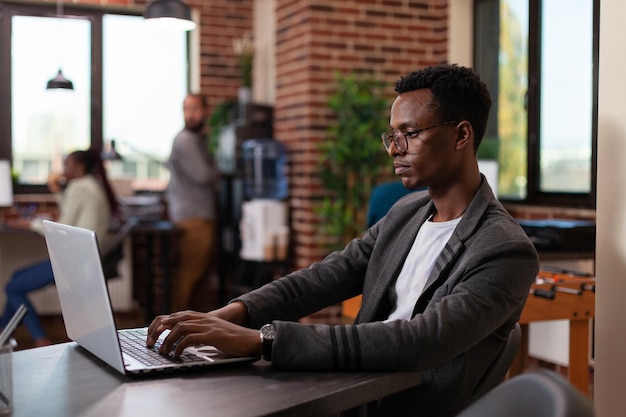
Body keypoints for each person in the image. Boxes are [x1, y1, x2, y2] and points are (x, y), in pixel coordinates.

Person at [147, 64, 539, 417]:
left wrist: (262, 341)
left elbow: (421, 340)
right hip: (354, 395)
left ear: (462, 135)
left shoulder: (504, 249)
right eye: (392, 135)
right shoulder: (407, 212)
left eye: (410, 134)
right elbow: (326, 277)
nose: (393, 149)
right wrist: (234, 313)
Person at [0, 148, 118, 347]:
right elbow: (71, 216)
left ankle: (40, 338)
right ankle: (3, 330)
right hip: (86, 260)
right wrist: (58, 192)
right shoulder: (91, 185)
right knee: (15, 279)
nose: (64, 169)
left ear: (79, 168)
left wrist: (29, 223)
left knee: (13, 287)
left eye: (67, 164)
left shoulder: (78, 187)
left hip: (73, 263)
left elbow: (62, 227)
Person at [165, 93, 220, 311]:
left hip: (194, 216)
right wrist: (219, 170)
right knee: (189, 278)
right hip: (193, 218)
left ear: (206, 110)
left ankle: (189, 330)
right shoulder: (185, 140)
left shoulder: (197, 139)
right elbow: (204, 175)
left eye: (195, 108)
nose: (190, 114)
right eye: (187, 109)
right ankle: (174, 331)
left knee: (195, 280)